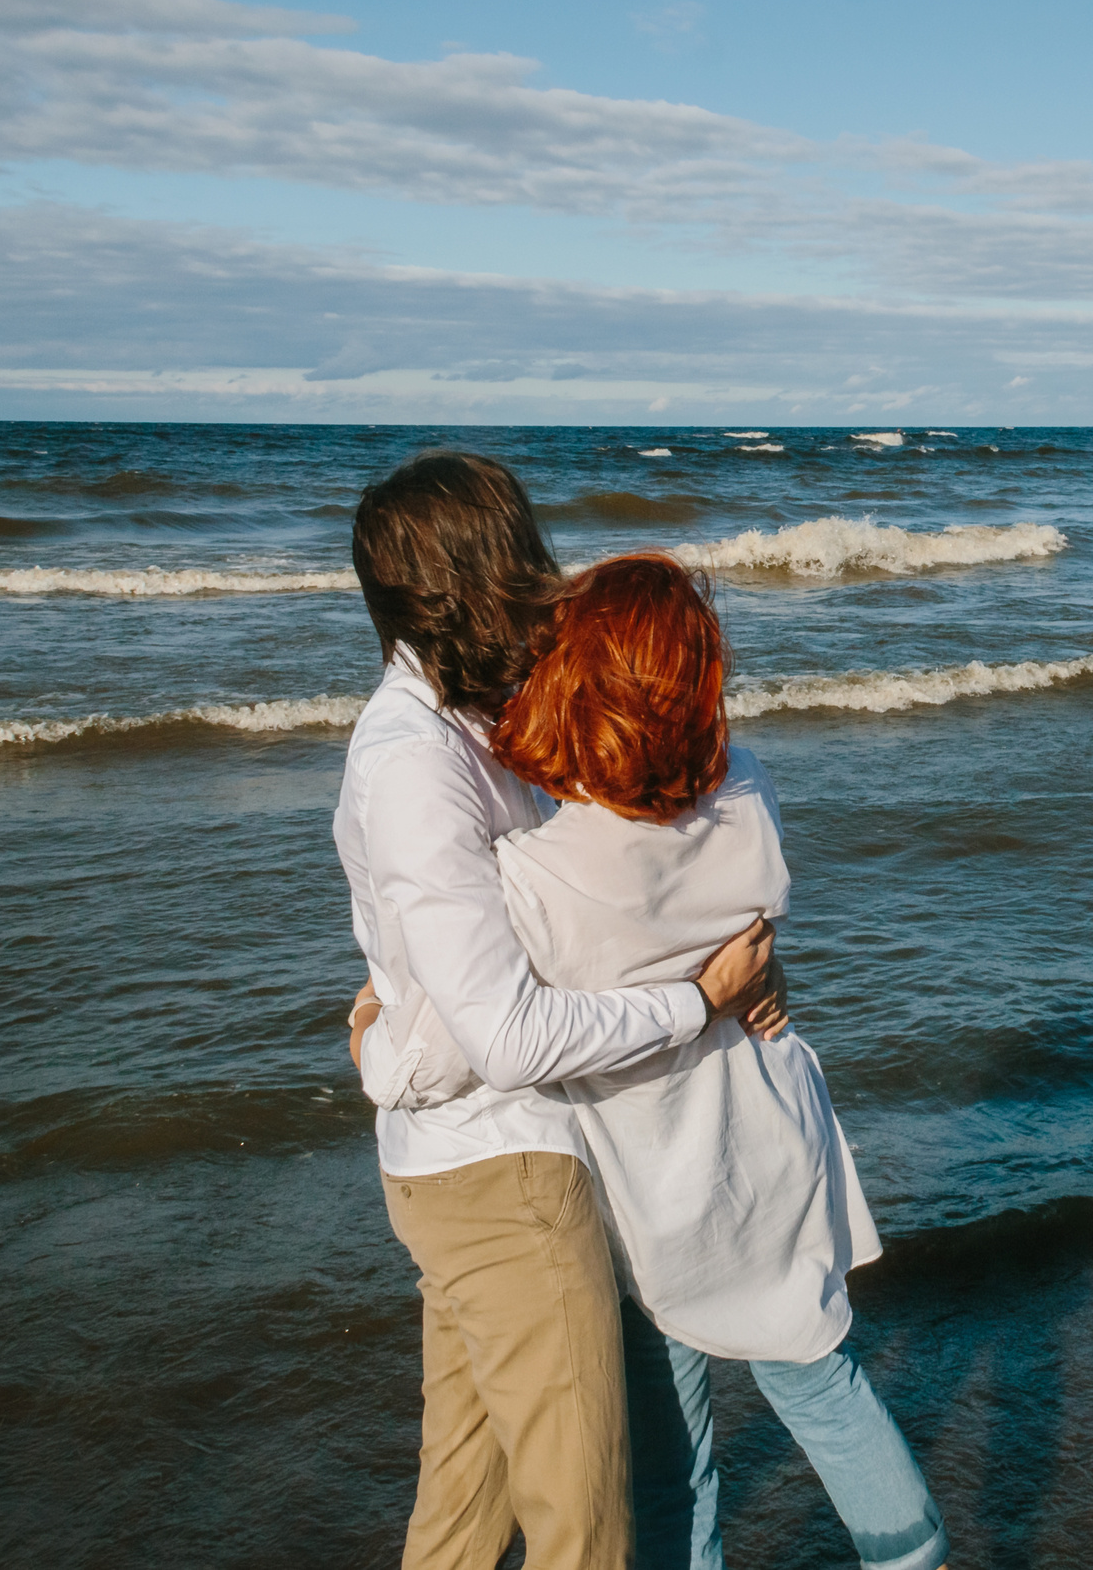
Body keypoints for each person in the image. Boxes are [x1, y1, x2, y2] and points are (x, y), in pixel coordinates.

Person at [334, 452, 786, 1570]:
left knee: (462, 1515)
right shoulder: (416, 765)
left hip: (475, 1163)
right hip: (506, 1177)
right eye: (520, 557)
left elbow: (580, 917)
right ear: (462, 583)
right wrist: (697, 999)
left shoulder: (474, 723)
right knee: (584, 1529)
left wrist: (734, 965)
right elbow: (502, 1035)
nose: (544, 581)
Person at [486, 552, 949, 1570]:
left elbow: (513, 1026)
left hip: (649, 1171)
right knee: (822, 1385)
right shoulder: (746, 797)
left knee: (673, 1457)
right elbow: (746, 925)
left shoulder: (535, 872)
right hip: (767, 1137)